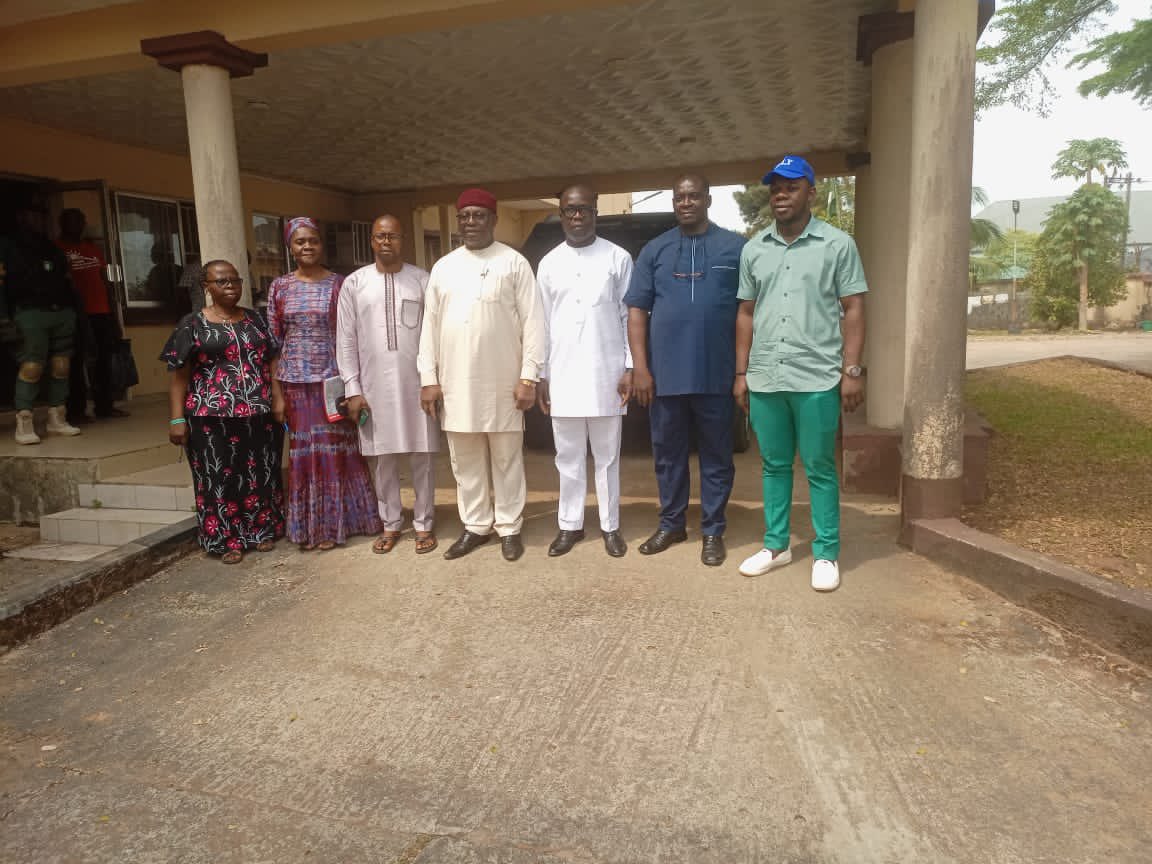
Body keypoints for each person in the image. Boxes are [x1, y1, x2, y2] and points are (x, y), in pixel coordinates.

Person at [734, 155, 868, 592]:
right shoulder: (754, 249)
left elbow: (854, 308)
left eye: (791, 187)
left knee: (819, 466)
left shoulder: (837, 245)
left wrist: (852, 370)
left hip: (817, 377)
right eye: (775, 188)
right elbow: (746, 313)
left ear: (811, 192)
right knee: (774, 465)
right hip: (766, 376)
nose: (781, 195)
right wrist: (741, 373)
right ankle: (776, 546)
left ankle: (826, 551)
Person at [417, 188, 544, 562]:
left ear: (493, 220)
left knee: (507, 459)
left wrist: (529, 377)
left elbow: (534, 323)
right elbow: (429, 327)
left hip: (504, 383)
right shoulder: (444, 267)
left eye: (479, 215)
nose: (471, 222)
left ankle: (509, 527)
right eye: (465, 216)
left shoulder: (514, 263)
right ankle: (475, 526)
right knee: (465, 461)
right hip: (456, 384)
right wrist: (428, 379)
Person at [624, 174, 746, 566]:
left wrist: (742, 372)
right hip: (665, 376)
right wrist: (640, 368)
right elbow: (637, 312)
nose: (686, 203)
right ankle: (672, 524)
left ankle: (713, 531)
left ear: (708, 199)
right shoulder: (655, 250)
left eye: (693, 196)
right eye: (679, 197)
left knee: (717, 456)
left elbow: (748, 312)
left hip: (716, 372)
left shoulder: (735, 247)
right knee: (668, 455)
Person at [161, 259, 285, 564]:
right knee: (217, 477)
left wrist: (278, 399)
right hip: (209, 416)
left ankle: (261, 530)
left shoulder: (256, 320)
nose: (230, 286)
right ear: (206, 286)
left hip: (258, 413)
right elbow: (179, 376)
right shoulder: (192, 324)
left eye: (235, 280)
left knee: (260, 473)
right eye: (222, 281)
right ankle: (226, 539)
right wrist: (176, 419)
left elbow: (273, 360)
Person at [267, 217, 380, 551]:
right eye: (300, 241)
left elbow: (352, 336)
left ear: (321, 245)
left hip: (332, 382)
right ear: (290, 247)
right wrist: (277, 395)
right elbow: (274, 344)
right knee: (304, 455)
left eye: (313, 241)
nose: (307, 246)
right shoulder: (279, 287)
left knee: (337, 452)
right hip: (295, 384)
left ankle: (341, 524)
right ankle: (310, 527)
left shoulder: (339, 284)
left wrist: (354, 385)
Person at [536, 183, 633, 558]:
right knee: (568, 457)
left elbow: (628, 317)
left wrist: (630, 366)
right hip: (562, 375)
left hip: (608, 373)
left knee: (608, 458)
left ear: (595, 212)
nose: (577, 216)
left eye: (584, 209)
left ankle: (610, 526)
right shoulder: (549, 263)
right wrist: (541, 374)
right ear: (561, 214)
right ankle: (570, 525)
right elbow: (542, 324)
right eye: (569, 210)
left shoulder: (618, 258)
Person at [337, 215, 440, 555]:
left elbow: (434, 334)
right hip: (373, 385)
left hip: (418, 382)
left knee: (423, 454)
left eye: (392, 236)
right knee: (383, 458)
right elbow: (345, 339)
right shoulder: (354, 284)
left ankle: (424, 523)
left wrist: (433, 379)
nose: (386, 242)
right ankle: (391, 523)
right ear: (371, 240)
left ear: (402, 240)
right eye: (379, 236)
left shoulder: (422, 280)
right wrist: (352, 388)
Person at [2, 196, 82, 445]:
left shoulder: (51, 247)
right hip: (29, 312)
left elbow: (67, 282)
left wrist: (76, 313)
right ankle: (24, 420)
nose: (39, 220)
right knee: (32, 366)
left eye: (42, 215)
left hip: (61, 311)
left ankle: (57, 417)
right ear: (21, 217)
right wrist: (3, 318)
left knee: (61, 365)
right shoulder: (7, 246)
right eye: (33, 214)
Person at [57, 208, 128, 424]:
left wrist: (114, 314)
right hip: (76, 314)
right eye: (72, 221)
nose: (77, 225)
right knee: (76, 362)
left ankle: (104, 405)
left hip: (101, 312)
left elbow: (104, 281)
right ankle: (76, 410)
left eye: (80, 221)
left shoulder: (93, 249)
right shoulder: (58, 248)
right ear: (62, 224)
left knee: (103, 360)